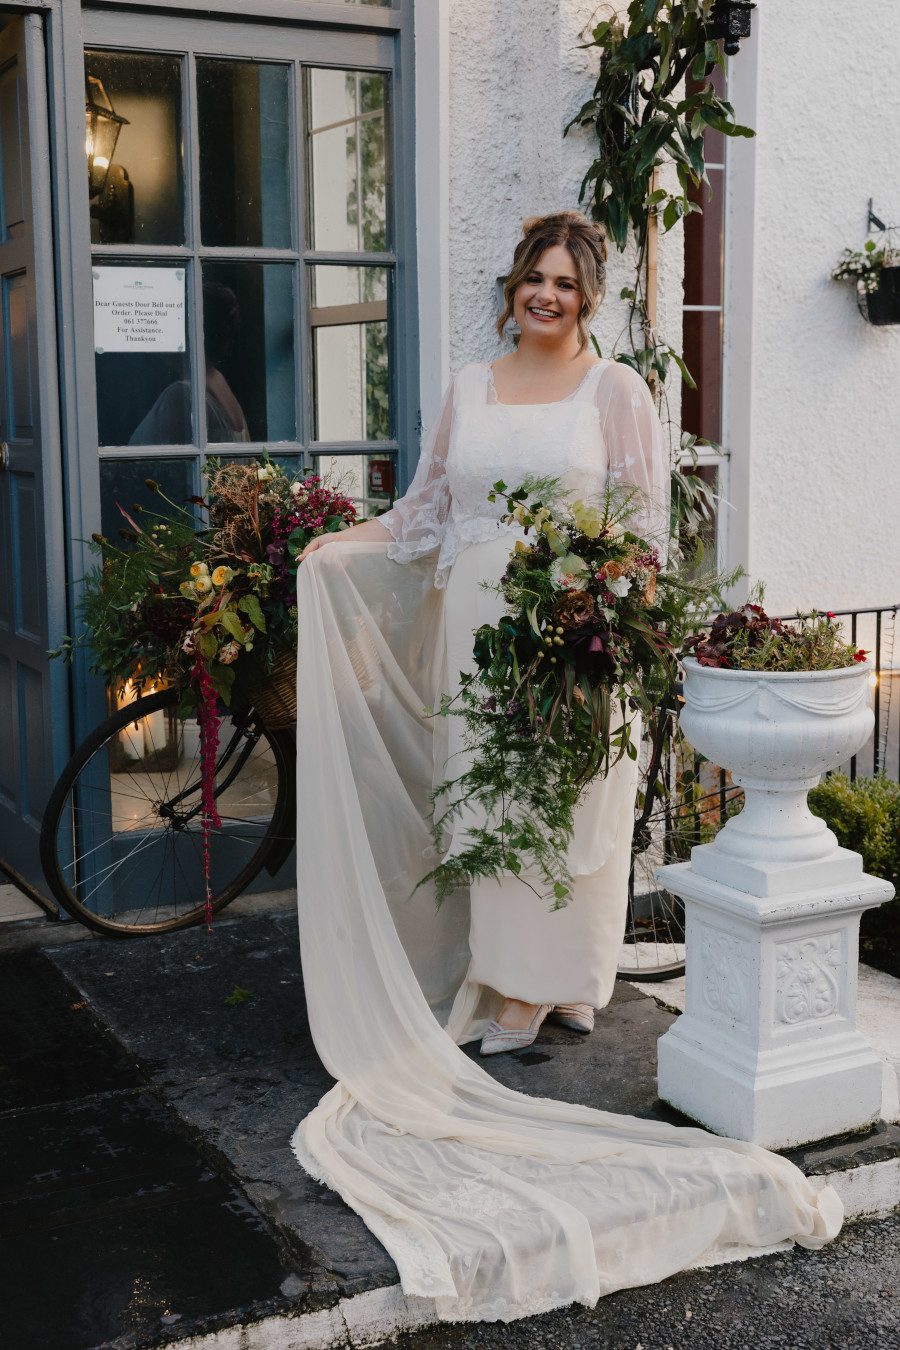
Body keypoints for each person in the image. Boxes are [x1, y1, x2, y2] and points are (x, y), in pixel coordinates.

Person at [291, 212, 841, 1323]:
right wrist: (335, 545)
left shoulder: (618, 391)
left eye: (566, 283)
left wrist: (605, 608)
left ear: (588, 297)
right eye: (534, 280)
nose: (548, 296)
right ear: (513, 290)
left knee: (573, 805)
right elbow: (426, 512)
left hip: (577, 626)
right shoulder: (470, 384)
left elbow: (641, 523)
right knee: (490, 796)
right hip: (478, 622)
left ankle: (563, 986)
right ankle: (506, 976)